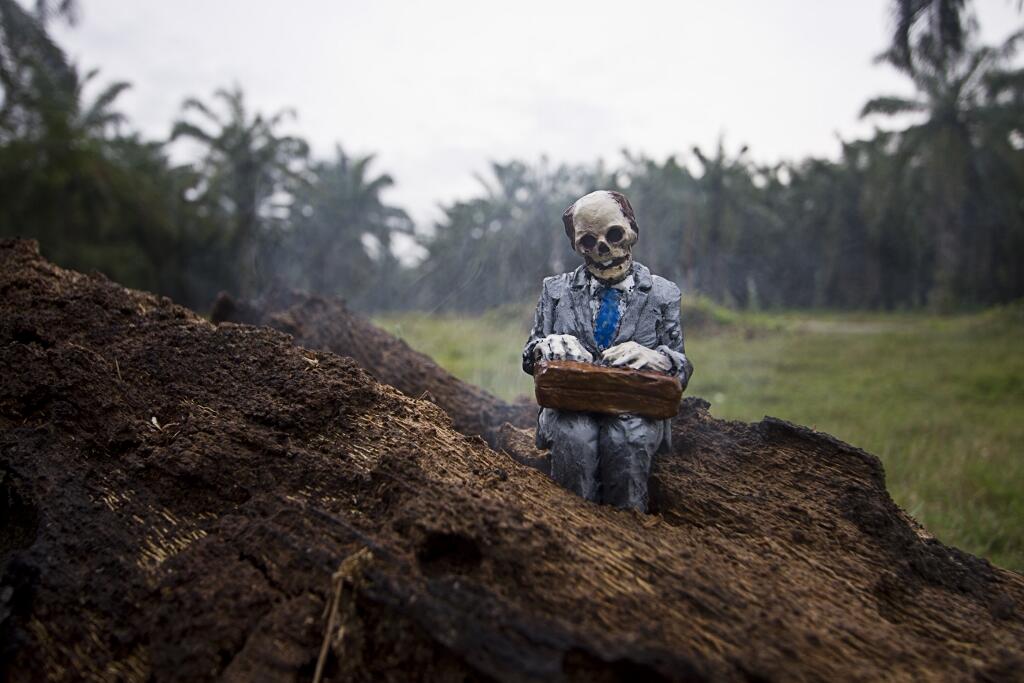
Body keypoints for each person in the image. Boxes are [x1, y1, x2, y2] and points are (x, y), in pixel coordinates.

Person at [522, 190, 693, 511]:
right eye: (588, 241)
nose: (602, 249)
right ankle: (575, 527)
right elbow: (529, 353)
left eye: (614, 235)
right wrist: (546, 346)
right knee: (576, 438)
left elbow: (682, 367)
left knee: (627, 440)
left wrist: (657, 358)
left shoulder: (663, 294)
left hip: (636, 406)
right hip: (570, 406)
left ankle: (628, 533)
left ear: (632, 231)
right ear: (576, 246)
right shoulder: (555, 292)